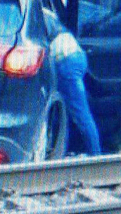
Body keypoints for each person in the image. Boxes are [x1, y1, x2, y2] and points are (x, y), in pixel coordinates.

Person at [43, 9, 101, 155]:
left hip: (64, 60)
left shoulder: (33, 13)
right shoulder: (46, 12)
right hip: (75, 55)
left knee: (80, 113)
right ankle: (65, 151)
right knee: (69, 111)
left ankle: (96, 157)